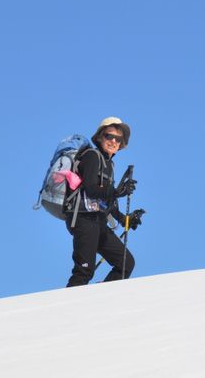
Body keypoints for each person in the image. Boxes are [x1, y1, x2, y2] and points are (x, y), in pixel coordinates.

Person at [65, 117, 143, 287]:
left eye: (118, 139)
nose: (113, 141)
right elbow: (91, 188)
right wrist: (117, 192)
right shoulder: (92, 156)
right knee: (84, 270)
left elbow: (107, 199)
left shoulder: (110, 164)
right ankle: (66, 310)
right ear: (100, 137)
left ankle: (101, 300)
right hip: (83, 219)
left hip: (98, 221)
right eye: (109, 136)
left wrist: (123, 219)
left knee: (125, 264)